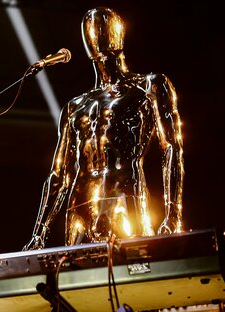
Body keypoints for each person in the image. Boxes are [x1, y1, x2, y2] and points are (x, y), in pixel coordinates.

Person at [24, 7, 185, 250]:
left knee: (128, 274)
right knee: (78, 282)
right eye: (89, 28)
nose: (96, 33)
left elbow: (172, 148)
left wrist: (173, 214)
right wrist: (39, 233)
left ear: (119, 33)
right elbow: (58, 175)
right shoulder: (75, 106)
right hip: (79, 207)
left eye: (103, 25)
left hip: (123, 198)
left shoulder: (149, 86)